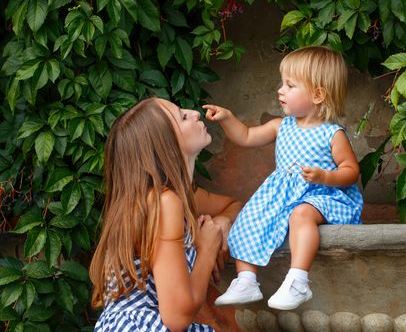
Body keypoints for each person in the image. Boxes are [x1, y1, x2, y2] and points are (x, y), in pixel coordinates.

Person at [203, 46, 363, 310]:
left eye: (290, 85)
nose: (280, 90)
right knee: (248, 219)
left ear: (318, 94)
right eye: (282, 83)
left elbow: (351, 171)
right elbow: (245, 136)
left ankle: (298, 281)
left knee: (301, 215)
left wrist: (324, 176)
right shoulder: (281, 126)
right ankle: (246, 280)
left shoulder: (332, 134)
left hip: (321, 195)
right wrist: (227, 118)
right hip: (283, 195)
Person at [89, 97, 241, 332]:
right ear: (166, 144)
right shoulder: (164, 202)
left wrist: (220, 223)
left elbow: (233, 205)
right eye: (182, 116)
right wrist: (208, 250)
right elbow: (177, 317)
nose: (195, 113)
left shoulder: (174, 197)